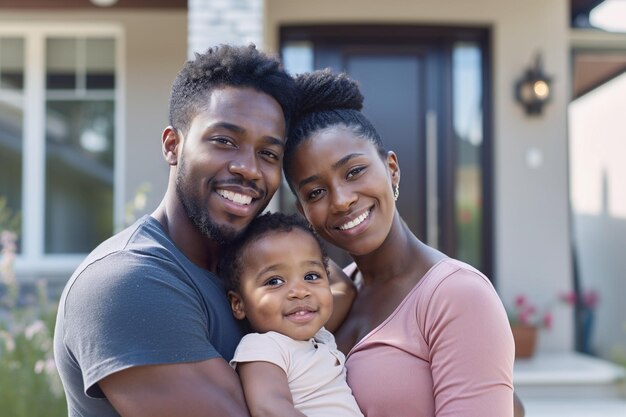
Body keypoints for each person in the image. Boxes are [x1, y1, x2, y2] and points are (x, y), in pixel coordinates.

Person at [53, 44, 298, 417]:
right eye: (224, 141)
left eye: (268, 154)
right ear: (173, 145)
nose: (249, 168)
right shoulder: (127, 282)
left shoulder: (252, 277)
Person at [282, 69, 517, 417]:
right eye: (316, 192)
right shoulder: (333, 297)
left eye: (354, 171)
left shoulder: (457, 295)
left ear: (392, 169)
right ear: (303, 211)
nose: (341, 200)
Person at [219, 211, 363, 417]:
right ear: (238, 303)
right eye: (274, 281)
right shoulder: (264, 346)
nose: (300, 291)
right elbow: (269, 408)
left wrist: (308, 236)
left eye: (311, 276)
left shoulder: (321, 337)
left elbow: (344, 289)